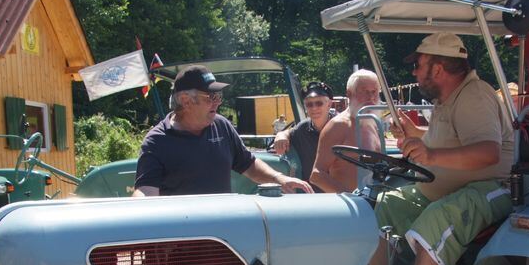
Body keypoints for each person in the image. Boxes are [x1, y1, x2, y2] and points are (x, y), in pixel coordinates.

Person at [360, 32, 514, 265]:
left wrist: (430, 155)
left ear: (439, 69)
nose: (414, 72)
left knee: (436, 219)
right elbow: (447, 141)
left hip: (491, 188)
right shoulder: (447, 99)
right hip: (446, 190)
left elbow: (488, 152)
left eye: (418, 65)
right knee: (381, 205)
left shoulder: (474, 95)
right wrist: (415, 134)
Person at [133, 65, 312, 197]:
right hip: (183, 234)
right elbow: (146, 191)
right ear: (185, 100)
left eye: (219, 96)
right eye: (211, 97)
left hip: (221, 230)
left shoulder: (221, 125)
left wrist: (279, 178)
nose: (218, 102)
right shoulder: (157, 141)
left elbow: (248, 164)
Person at [309, 69, 383, 193]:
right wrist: (353, 198)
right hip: (350, 202)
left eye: (374, 91)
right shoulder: (338, 126)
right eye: (364, 92)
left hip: (373, 199)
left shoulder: (372, 123)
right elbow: (317, 175)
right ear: (349, 94)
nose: (371, 97)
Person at [272, 81, 335, 185]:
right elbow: (289, 132)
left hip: (340, 191)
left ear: (329, 104)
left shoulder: (341, 126)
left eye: (319, 103)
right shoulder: (302, 129)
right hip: (309, 192)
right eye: (309, 104)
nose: (314, 108)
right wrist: (281, 135)